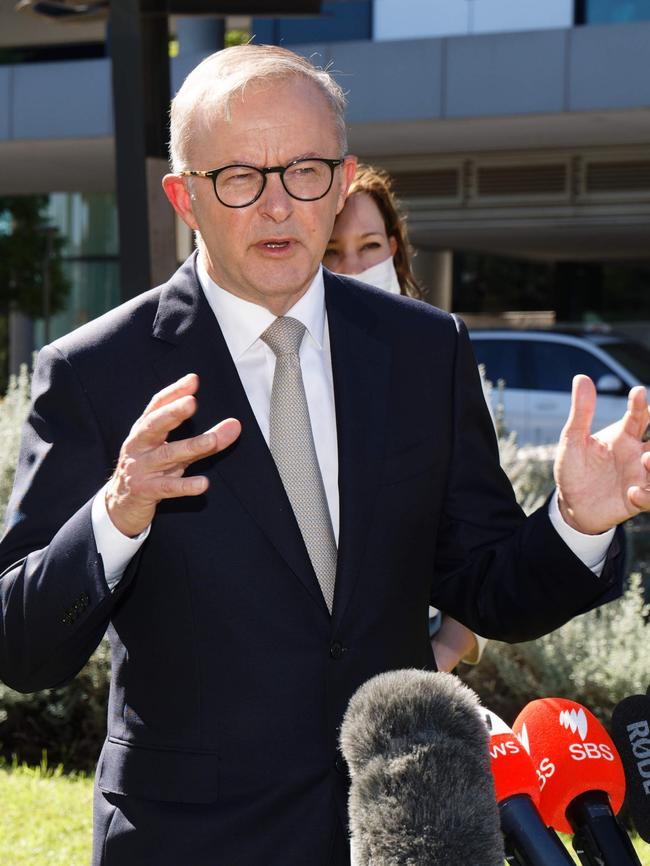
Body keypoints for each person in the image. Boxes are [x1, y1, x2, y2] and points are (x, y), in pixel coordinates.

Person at [0, 44, 647, 866]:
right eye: (240, 176)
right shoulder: (96, 372)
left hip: (403, 833)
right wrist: (116, 514)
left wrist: (574, 525)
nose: (278, 206)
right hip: (190, 842)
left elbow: (485, 584)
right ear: (184, 198)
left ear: (342, 183)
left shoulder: (423, 349)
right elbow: (22, 647)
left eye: (305, 171)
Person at [324, 163, 485, 671]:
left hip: (411, 669)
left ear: (394, 246)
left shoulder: (438, 357)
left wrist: (444, 653)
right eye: (332, 250)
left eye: (369, 245)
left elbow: (478, 528)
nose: (351, 264)